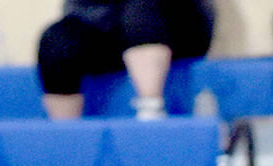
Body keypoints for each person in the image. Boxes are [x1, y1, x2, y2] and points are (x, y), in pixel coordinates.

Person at [38, 0, 214, 120]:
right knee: (57, 42)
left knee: (140, 11)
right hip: (107, 23)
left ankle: (151, 114)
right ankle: (69, 144)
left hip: (177, 24)